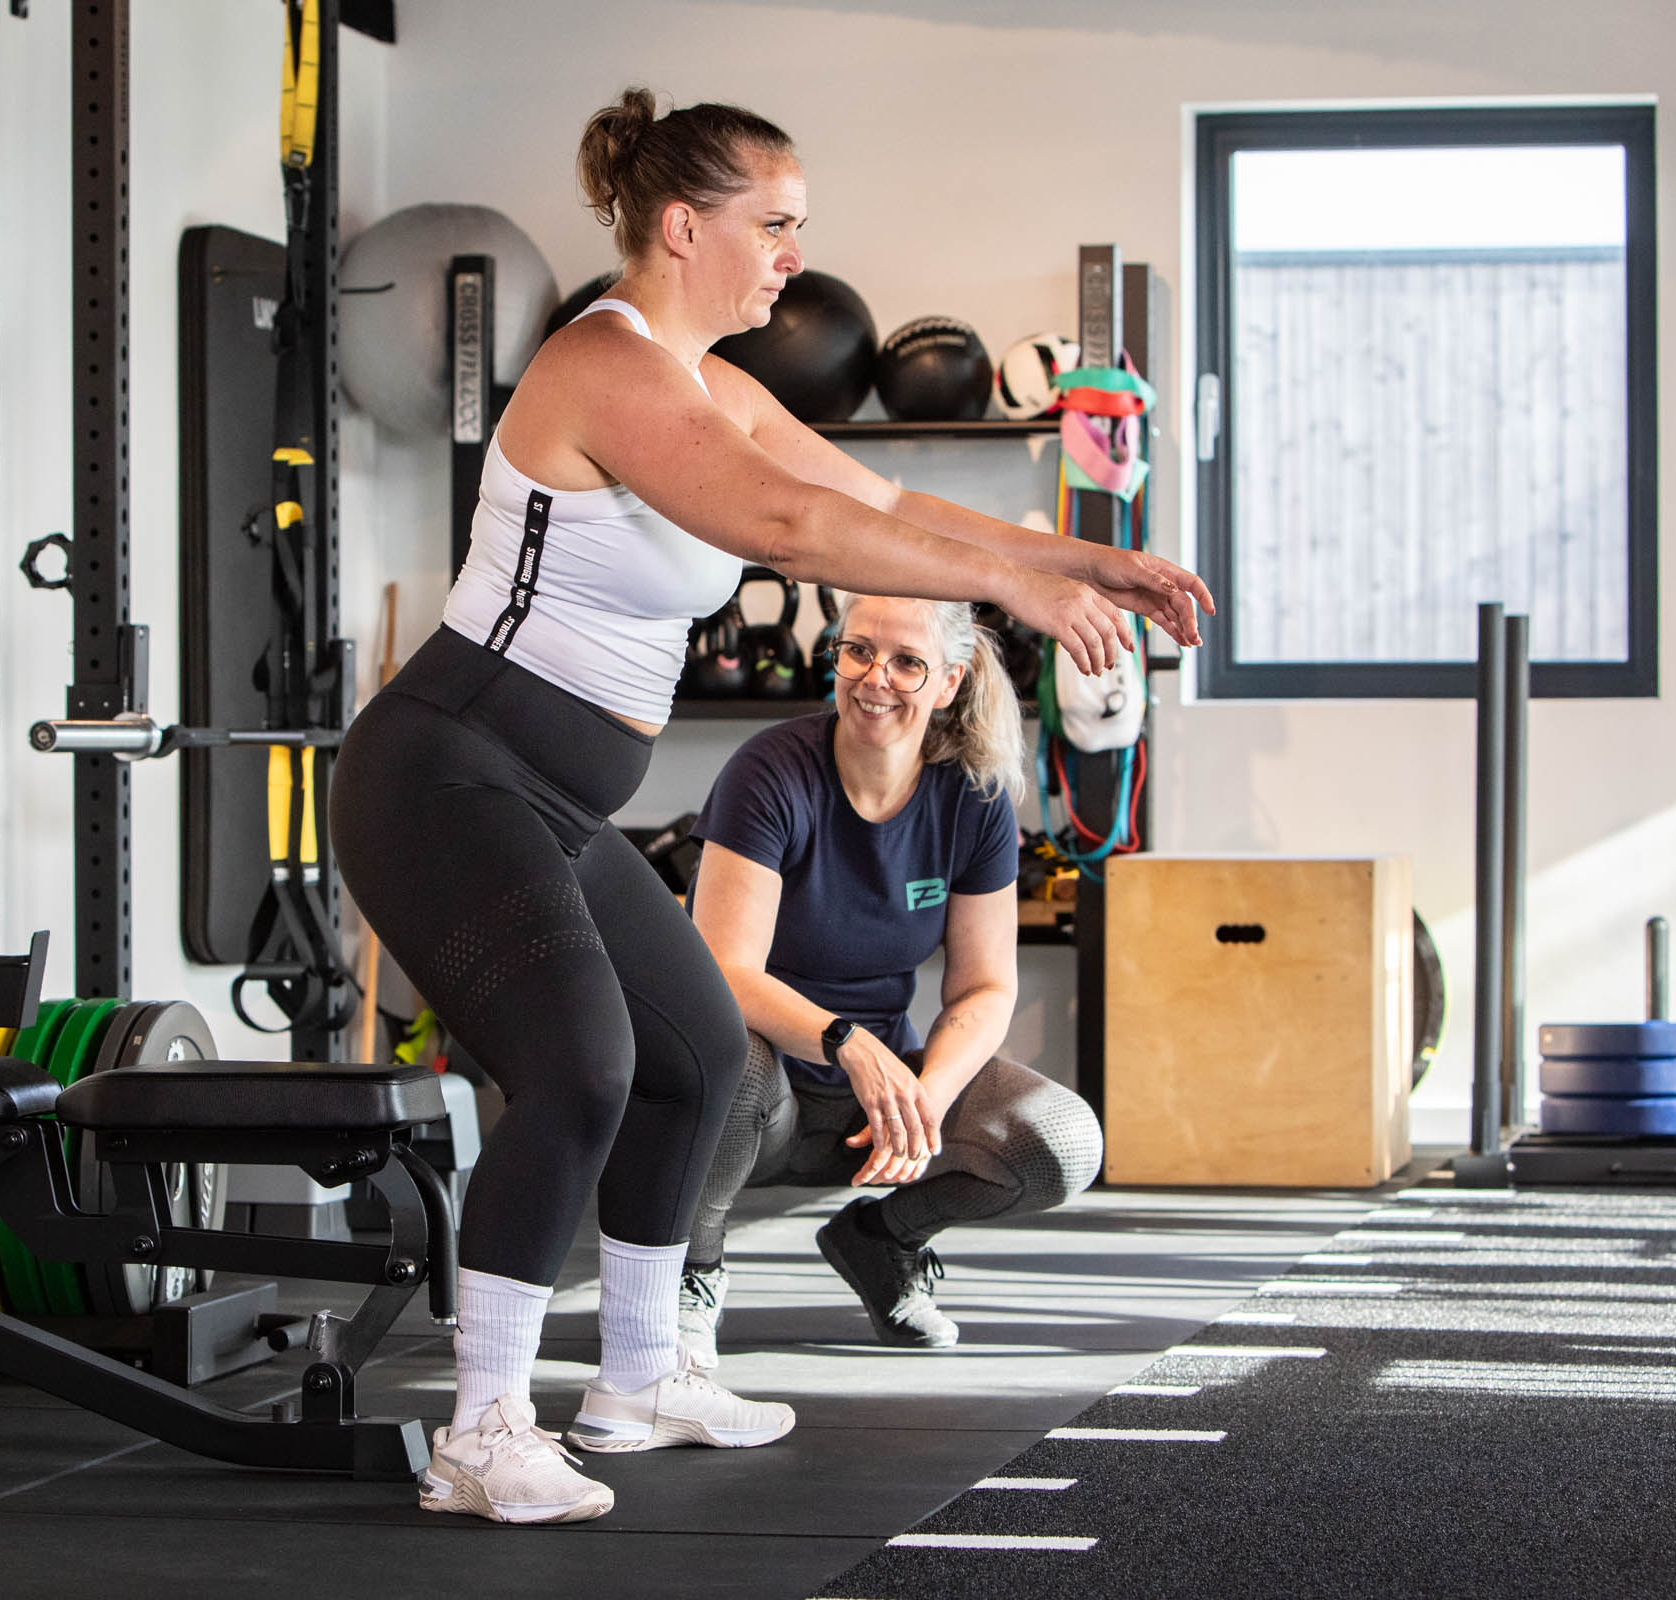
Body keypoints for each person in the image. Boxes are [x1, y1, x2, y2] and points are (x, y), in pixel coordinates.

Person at [327, 86, 1210, 1526]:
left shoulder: (707, 384)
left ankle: (636, 1375)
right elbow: (788, 529)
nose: (795, 259)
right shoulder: (603, 367)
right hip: (446, 773)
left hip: (546, 799)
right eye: (777, 227)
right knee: (584, 1072)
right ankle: (481, 1425)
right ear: (685, 228)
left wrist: (1083, 563)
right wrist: (1013, 592)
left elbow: (882, 502)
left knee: (693, 1055)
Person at [680, 594, 1103, 1362]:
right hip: (761, 1093)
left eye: (908, 662)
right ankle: (691, 1274)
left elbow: (984, 988)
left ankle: (882, 1241)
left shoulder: (973, 800)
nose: (876, 678)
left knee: (1062, 1143)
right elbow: (723, 968)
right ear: (835, 654)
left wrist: (927, 1096)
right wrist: (847, 1042)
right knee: (728, 1058)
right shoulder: (770, 772)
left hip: (874, 1106)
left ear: (948, 682)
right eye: (859, 651)